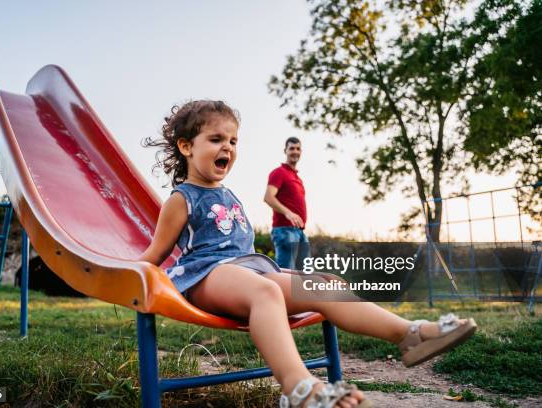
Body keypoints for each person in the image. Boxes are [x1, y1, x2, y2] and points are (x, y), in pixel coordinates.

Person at [139, 100, 477, 408]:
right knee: (266, 289)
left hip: (248, 271)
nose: (227, 146)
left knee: (326, 284)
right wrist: (126, 275)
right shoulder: (181, 199)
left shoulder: (227, 193)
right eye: (215, 139)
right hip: (207, 277)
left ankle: (410, 334)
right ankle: (299, 387)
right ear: (186, 146)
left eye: (233, 141)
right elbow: (157, 252)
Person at [264, 137, 309, 269]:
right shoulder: (279, 173)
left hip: (300, 232)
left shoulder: (297, 178)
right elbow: (268, 197)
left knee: (304, 277)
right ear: (285, 151)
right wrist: (288, 213)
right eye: (291, 148)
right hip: (285, 230)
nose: (295, 151)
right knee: (288, 276)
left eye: (298, 148)